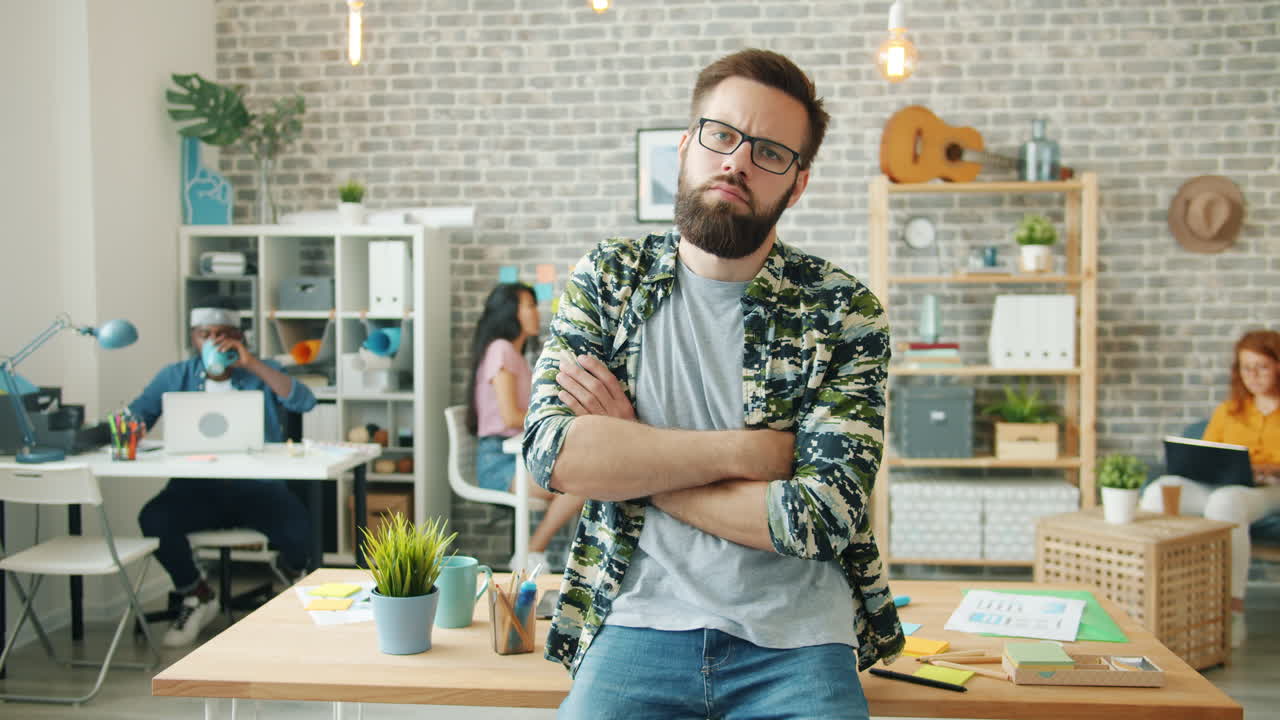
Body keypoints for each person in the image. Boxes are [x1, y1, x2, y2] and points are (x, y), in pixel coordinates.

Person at [523, 49, 904, 719]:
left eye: (769, 153)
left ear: (799, 183)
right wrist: (742, 454)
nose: (736, 162)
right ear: (686, 145)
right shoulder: (610, 279)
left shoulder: (843, 311)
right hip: (634, 621)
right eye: (722, 135)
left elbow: (820, 519)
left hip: (800, 640)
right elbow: (555, 456)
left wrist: (634, 457)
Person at [129, 296, 317, 647]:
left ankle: (293, 577)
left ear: (239, 337)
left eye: (224, 334)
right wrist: (129, 429)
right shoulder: (176, 375)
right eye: (205, 334)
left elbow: (304, 401)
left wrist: (254, 364)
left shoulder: (262, 371)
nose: (214, 341)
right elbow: (138, 415)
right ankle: (196, 594)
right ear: (193, 338)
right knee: (153, 520)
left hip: (256, 487)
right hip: (195, 488)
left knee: (298, 529)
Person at [1140, 329, 1280, 648]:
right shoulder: (1229, 411)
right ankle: (1156, 597)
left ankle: (1231, 611)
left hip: (1268, 491)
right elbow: (1208, 455)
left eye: (1262, 367)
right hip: (1223, 484)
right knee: (1161, 490)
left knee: (1226, 503)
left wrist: (1268, 468)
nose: (1253, 376)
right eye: (1246, 368)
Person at [467, 282, 586, 572]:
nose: (537, 313)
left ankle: (533, 553)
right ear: (510, 312)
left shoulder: (516, 356)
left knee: (586, 479)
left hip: (517, 455)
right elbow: (510, 417)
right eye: (529, 306)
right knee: (582, 484)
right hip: (500, 461)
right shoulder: (501, 349)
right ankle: (530, 553)